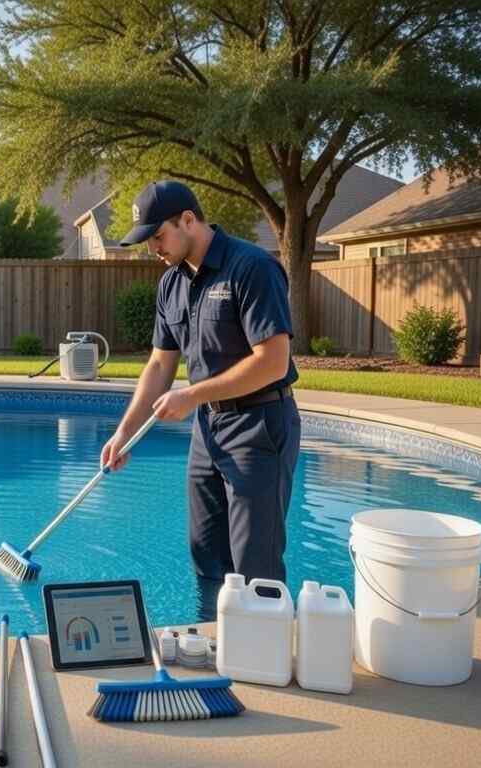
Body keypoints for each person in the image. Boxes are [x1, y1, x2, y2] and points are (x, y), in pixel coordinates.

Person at [102, 181, 301, 612]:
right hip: (208, 429)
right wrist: (124, 433)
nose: (153, 248)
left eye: (158, 236)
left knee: (256, 566)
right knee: (207, 555)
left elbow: (273, 361)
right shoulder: (171, 284)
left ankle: (262, 648)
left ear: (188, 220)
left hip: (259, 425)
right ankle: (215, 639)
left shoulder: (251, 268)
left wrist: (192, 395)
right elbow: (160, 365)